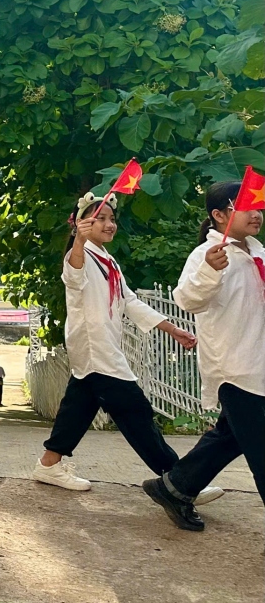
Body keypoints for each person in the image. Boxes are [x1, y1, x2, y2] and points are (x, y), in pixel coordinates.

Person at [32, 192, 222, 506]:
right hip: (97, 351)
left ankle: (49, 464)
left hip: (99, 351)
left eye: (111, 218)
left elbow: (129, 301)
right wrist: (78, 241)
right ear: (82, 224)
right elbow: (73, 273)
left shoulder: (108, 259)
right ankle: (179, 480)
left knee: (78, 408)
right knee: (136, 413)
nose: (109, 224)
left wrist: (171, 328)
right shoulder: (79, 256)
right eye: (100, 219)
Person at [142, 180, 265, 530]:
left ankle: (175, 486)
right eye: (246, 207)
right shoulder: (207, 256)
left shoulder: (258, 253)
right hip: (236, 367)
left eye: (259, 206)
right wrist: (211, 269)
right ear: (218, 214)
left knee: (229, 437)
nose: (256, 214)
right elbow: (188, 299)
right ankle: (176, 487)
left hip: (258, 364)